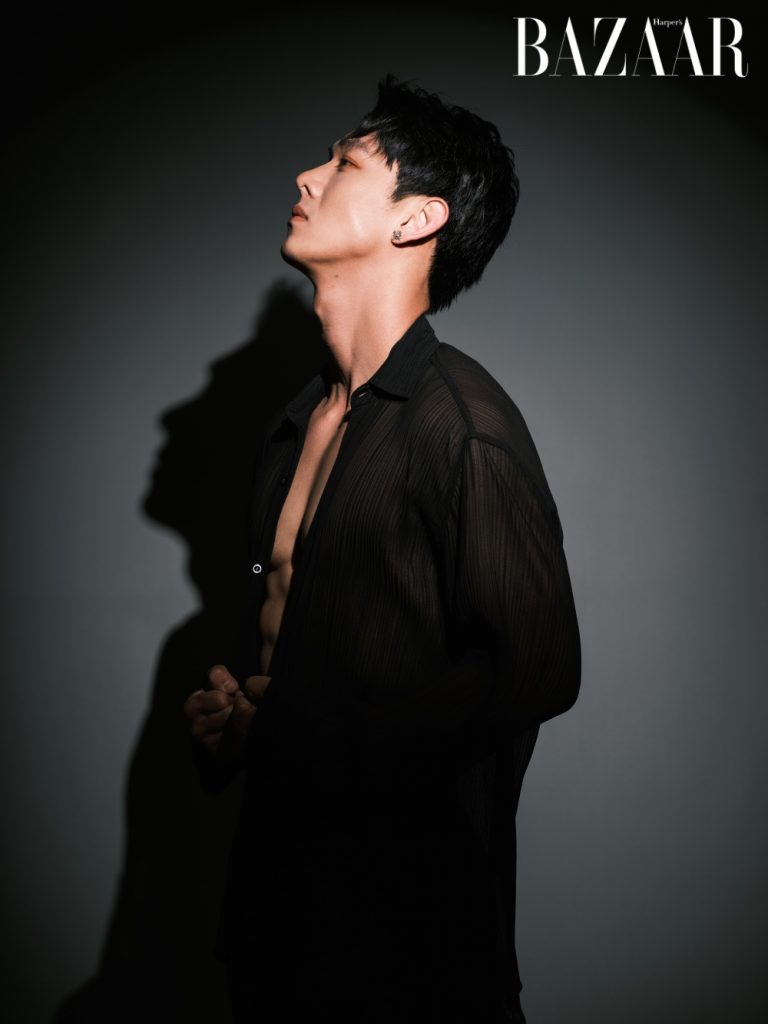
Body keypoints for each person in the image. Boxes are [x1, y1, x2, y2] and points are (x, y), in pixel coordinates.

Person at [183, 73, 581, 1023]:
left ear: (417, 218)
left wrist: (304, 734)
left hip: (414, 947)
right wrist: (236, 720)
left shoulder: (464, 427)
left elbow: (538, 669)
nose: (307, 177)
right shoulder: (295, 425)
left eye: (346, 163)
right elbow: (300, 632)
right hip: (276, 918)